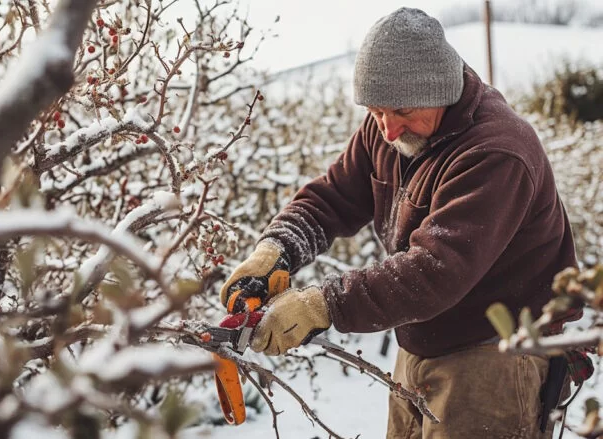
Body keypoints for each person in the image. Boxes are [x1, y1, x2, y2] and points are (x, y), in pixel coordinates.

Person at [219, 7, 581, 438]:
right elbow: (333, 195)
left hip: (496, 359)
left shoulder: (496, 153)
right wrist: (275, 249)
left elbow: (434, 270)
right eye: (375, 112)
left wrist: (323, 304)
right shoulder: (392, 127)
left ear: (441, 91)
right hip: (423, 344)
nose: (388, 131)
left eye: (401, 111)